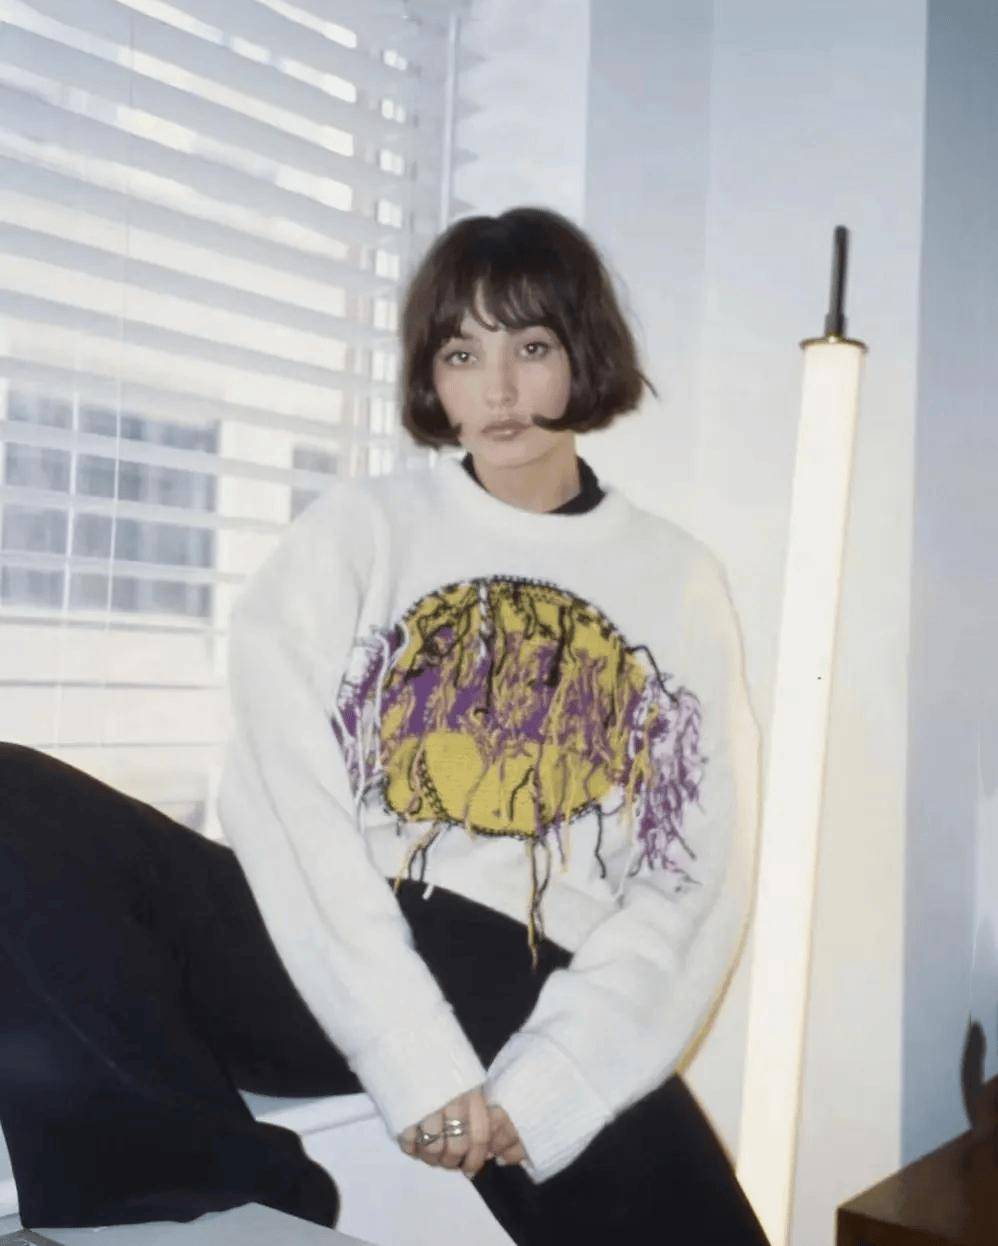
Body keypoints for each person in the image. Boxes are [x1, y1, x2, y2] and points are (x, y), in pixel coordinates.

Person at [0, 206, 769, 1244]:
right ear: (430, 376)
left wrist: (551, 1084)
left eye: (531, 347)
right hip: (323, 943)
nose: (497, 390)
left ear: (582, 353)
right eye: (462, 354)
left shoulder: (674, 581)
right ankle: (206, 1199)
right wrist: (416, 1059)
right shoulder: (356, 534)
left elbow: (688, 880)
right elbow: (283, 797)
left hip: (525, 963)